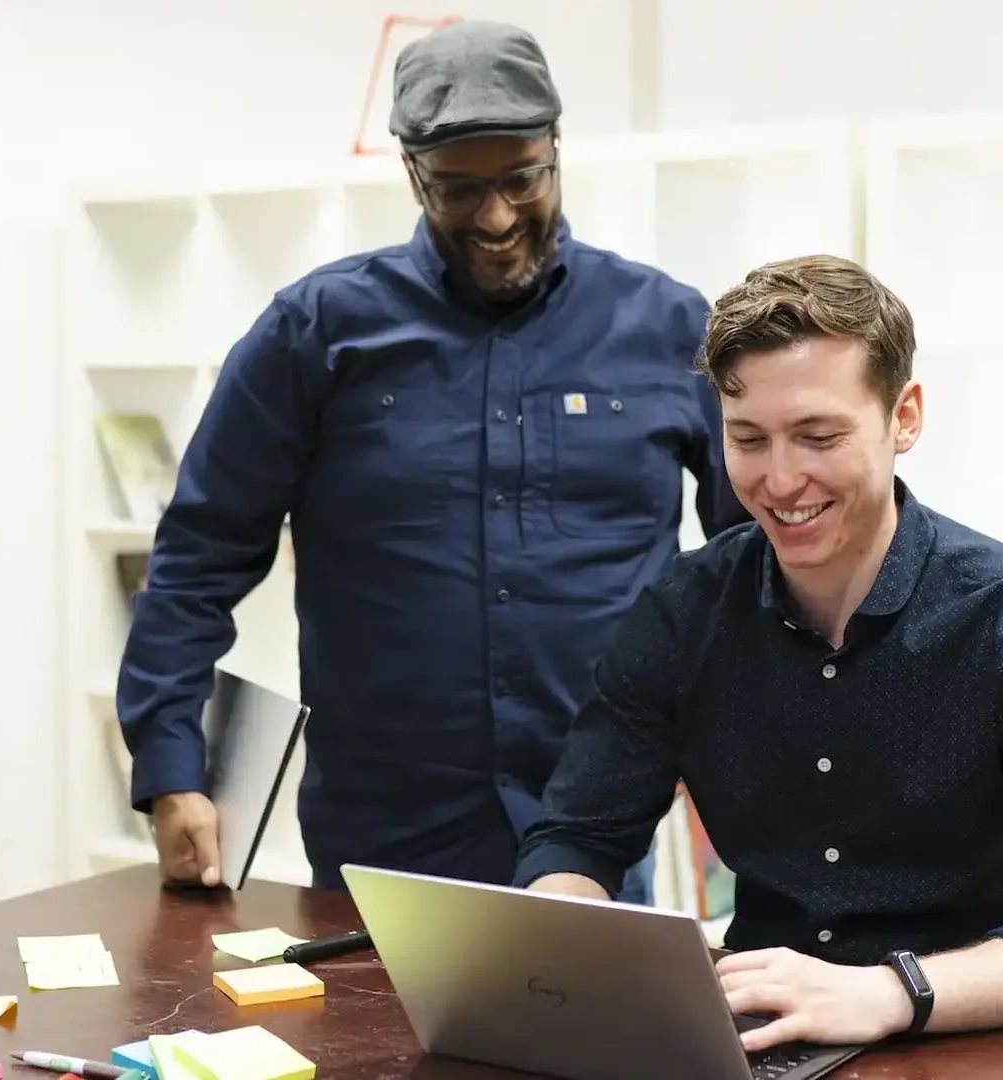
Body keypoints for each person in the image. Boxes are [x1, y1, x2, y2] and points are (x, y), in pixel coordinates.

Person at [115, 19, 746, 903]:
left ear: (556, 154)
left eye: (522, 179)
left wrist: (720, 740)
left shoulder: (668, 326)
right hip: (382, 832)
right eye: (457, 190)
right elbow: (197, 558)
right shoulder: (315, 333)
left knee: (585, 1041)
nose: (495, 218)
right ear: (411, 174)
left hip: (598, 820)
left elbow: (751, 561)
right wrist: (170, 764)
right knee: (374, 1047)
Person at [514, 255, 1003, 1051]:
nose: (781, 481)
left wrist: (893, 992)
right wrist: (567, 931)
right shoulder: (685, 610)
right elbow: (580, 833)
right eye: (748, 439)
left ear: (906, 417)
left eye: (818, 437)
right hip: (760, 1038)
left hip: (977, 1037)